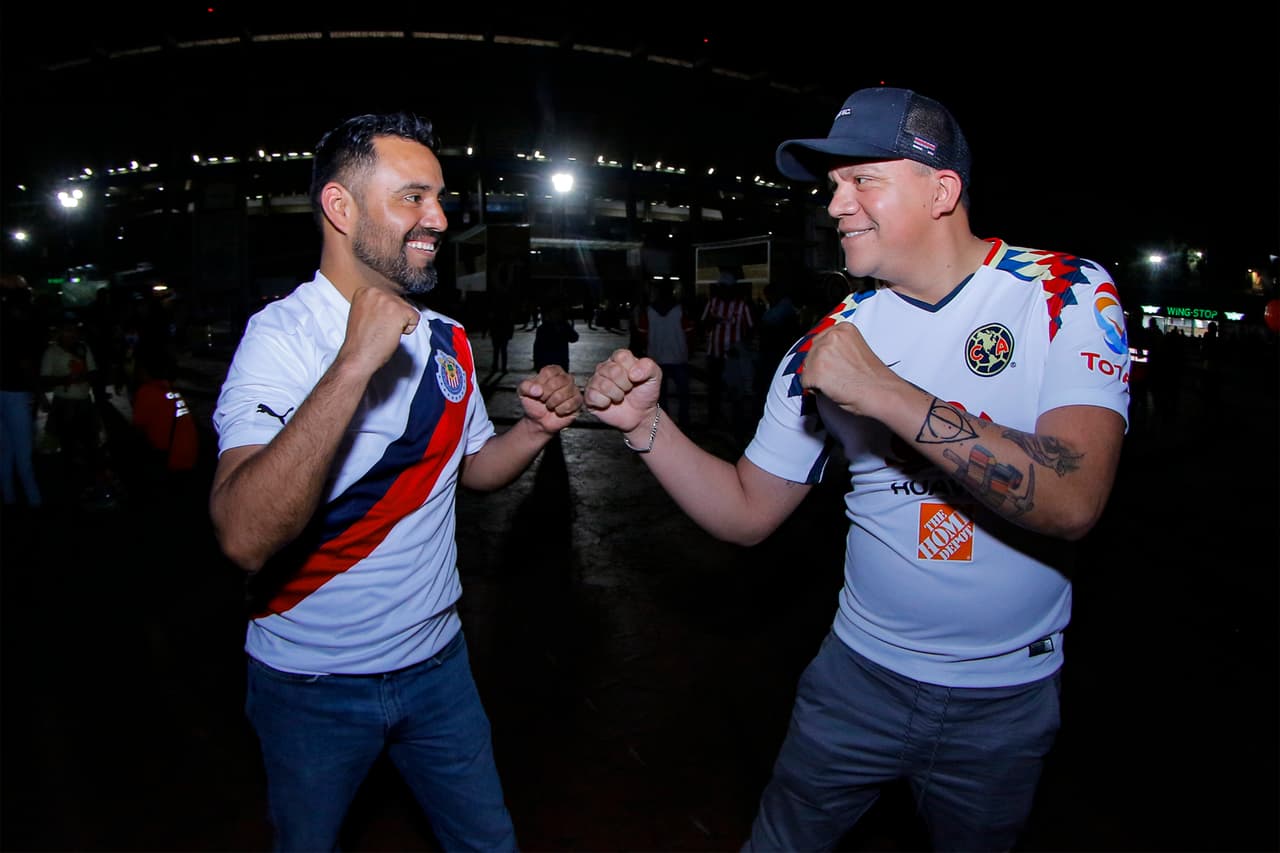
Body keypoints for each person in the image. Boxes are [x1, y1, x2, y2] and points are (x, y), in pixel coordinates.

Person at [584, 86, 1130, 851]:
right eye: (832, 185)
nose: (835, 204)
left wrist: (884, 391)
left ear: (941, 190)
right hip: (856, 680)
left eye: (861, 178)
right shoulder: (823, 344)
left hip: (1006, 699)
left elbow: (1074, 498)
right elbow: (746, 512)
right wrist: (648, 427)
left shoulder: (1065, 293)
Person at [208, 111, 582, 852]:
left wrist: (535, 429)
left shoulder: (447, 340)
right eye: (413, 197)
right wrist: (354, 363)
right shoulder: (281, 337)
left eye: (439, 197)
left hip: (440, 667)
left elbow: (472, 470)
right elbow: (244, 536)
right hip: (309, 686)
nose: (439, 218)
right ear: (340, 208)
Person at [0, 273, 45, 509]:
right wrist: (38, 392)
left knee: (5, 449)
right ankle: (34, 500)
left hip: (4, 390)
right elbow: (25, 362)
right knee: (23, 451)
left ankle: (8, 496)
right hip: (16, 391)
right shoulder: (19, 324)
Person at [700, 271, 754, 430]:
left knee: (735, 390)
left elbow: (751, 328)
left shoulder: (742, 305)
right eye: (720, 287)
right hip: (714, 354)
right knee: (714, 389)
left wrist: (741, 347)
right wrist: (712, 321)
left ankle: (737, 423)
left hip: (733, 357)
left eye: (725, 287)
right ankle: (714, 420)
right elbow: (703, 323)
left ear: (732, 288)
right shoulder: (713, 303)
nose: (722, 291)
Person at [637, 280, 694, 428]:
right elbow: (689, 333)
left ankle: (664, 424)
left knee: (661, 396)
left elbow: (642, 335)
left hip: (656, 358)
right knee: (684, 394)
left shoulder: (648, 311)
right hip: (678, 357)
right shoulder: (680, 310)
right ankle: (684, 422)